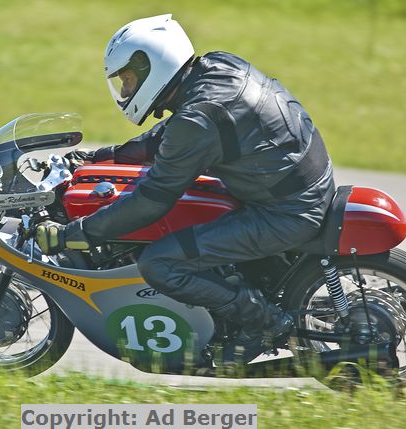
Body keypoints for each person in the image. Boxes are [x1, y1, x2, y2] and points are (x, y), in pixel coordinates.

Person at [35, 14, 336, 359]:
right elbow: (169, 137)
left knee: (160, 263)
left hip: (288, 211)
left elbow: (151, 199)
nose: (126, 90)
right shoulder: (217, 67)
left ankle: (264, 323)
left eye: (130, 80)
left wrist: (80, 232)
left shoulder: (198, 117)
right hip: (294, 184)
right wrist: (103, 157)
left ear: (155, 67)